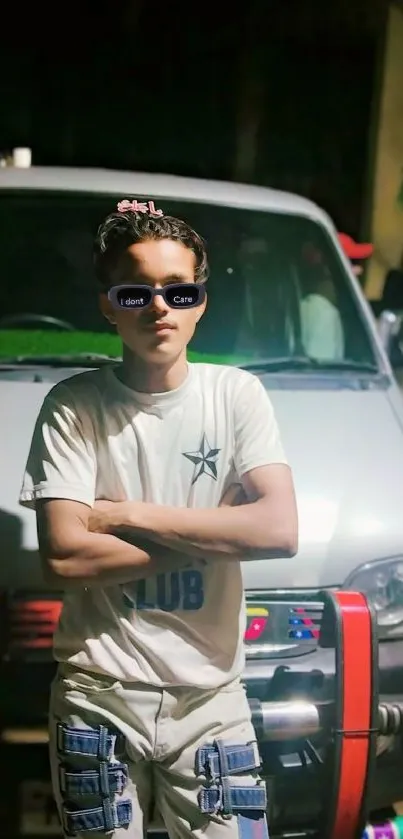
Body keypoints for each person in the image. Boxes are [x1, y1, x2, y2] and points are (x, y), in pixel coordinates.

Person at [19, 202, 298, 839]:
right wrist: (221, 536)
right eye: (135, 290)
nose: (159, 306)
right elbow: (64, 558)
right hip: (98, 693)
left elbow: (279, 532)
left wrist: (129, 516)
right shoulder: (73, 406)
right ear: (108, 305)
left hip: (212, 700)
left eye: (179, 290)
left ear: (201, 300)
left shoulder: (236, 395)